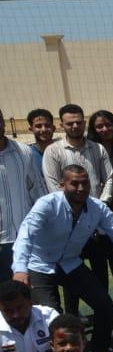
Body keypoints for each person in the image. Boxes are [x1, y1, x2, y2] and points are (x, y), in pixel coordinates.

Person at [13, 165, 113, 352]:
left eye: (85, 183)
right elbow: (25, 235)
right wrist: (20, 269)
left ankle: (100, 351)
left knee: (104, 305)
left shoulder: (97, 207)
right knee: (53, 317)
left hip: (70, 263)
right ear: (62, 185)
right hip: (40, 264)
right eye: (74, 183)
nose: (81, 188)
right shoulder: (47, 204)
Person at [0, 109, 48, 281]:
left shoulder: (23, 152)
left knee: (28, 289)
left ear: (3, 122)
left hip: (24, 238)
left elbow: (37, 190)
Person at [42, 105, 113, 202]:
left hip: (98, 207)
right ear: (62, 125)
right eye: (70, 123)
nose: (75, 126)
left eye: (79, 122)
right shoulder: (52, 151)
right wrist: (70, 207)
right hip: (67, 209)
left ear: (84, 123)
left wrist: (102, 203)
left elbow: (108, 179)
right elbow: (54, 185)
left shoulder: (98, 149)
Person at [0, 280, 58, 352]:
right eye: (8, 311)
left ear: (31, 303)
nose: (16, 315)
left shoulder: (49, 317)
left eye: (20, 308)